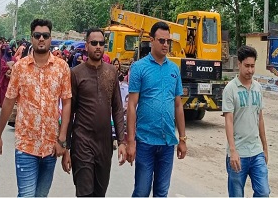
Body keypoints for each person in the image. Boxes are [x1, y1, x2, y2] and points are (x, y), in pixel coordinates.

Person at [0, 19, 72, 197]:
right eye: (37, 35)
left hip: (51, 146)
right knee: (27, 195)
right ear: (32, 38)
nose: (41, 39)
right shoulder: (20, 68)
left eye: (45, 35)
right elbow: (8, 102)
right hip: (26, 145)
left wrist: (62, 140)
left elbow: (67, 103)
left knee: (41, 196)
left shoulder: (62, 68)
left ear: (51, 38)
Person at [61, 28, 127, 197]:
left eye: (101, 43)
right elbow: (69, 112)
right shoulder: (76, 74)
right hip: (82, 141)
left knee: (99, 192)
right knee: (84, 192)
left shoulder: (111, 72)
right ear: (86, 45)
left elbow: (118, 108)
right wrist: (66, 147)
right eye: (94, 43)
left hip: (105, 143)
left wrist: (121, 141)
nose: (98, 47)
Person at [126, 22, 187, 197]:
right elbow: (132, 105)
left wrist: (182, 139)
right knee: (142, 192)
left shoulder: (174, 70)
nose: (165, 44)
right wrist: (131, 141)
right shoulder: (139, 68)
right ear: (151, 40)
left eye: (168, 41)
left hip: (167, 142)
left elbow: (178, 105)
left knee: (161, 192)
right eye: (161, 40)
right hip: (145, 141)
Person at [222, 45, 269, 198]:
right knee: (236, 195)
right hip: (238, 154)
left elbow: (260, 119)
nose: (250, 70)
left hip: (256, 152)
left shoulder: (257, 88)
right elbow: (228, 121)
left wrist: (265, 149)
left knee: (263, 193)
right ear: (239, 64)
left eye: (252, 66)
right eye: (247, 66)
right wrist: (233, 151)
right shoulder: (230, 89)